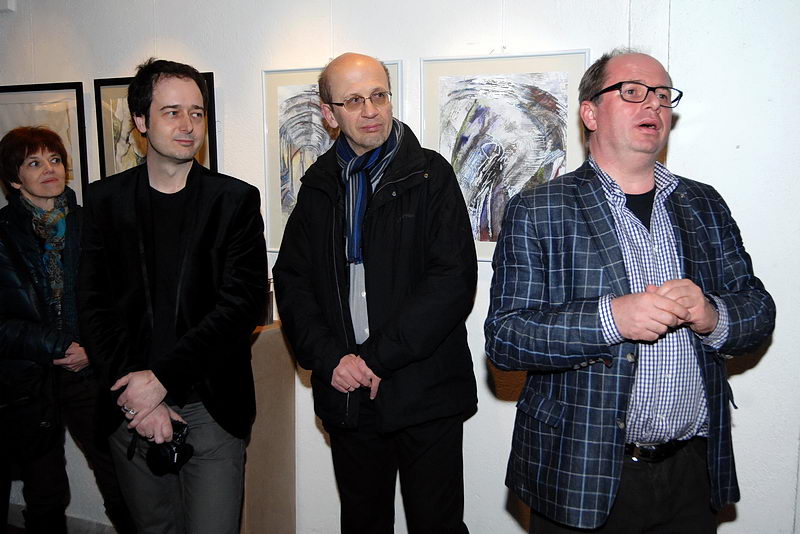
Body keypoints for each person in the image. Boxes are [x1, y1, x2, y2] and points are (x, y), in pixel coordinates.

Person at [485, 49, 776, 533]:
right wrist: (612, 319)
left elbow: (759, 310)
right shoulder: (538, 208)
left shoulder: (704, 203)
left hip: (692, 471)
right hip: (580, 473)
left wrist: (712, 314)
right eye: (633, 92)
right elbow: (506, 339)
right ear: (590, 113)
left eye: (662, 95)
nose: (653, 105)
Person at [273, 52, 478, 534]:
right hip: (349, 395)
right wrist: (332, 360)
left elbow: (452, 281)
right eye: (354, 101)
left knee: (438, 526)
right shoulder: (318, 183)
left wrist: (375, 359)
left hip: (425, 391)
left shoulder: (431, 175)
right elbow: (292, 280)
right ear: (329, 114)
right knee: (363, 524)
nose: (370, 111)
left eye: (379, 96)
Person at [78, 59, 267, 534]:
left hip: (211, 406)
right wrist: (139, 398)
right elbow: (94, 306)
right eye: (172, 112)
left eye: (197, 113)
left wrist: (161, 380)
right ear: (141, 121)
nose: (188, 125)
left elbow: (240, 307)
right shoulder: (104, 201)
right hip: (129, 406)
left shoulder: (234, 201)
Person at [0, 127, 134, 533]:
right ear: (14, 179)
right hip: (28, 378)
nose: (49, 169)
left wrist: (91, 349)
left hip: (90, 372)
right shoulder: (3, 234)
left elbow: (121, 298)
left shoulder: (90, 223)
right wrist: (58, 346)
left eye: (55, 160)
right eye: (34, 163)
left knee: (119, 478)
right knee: (45, 490)